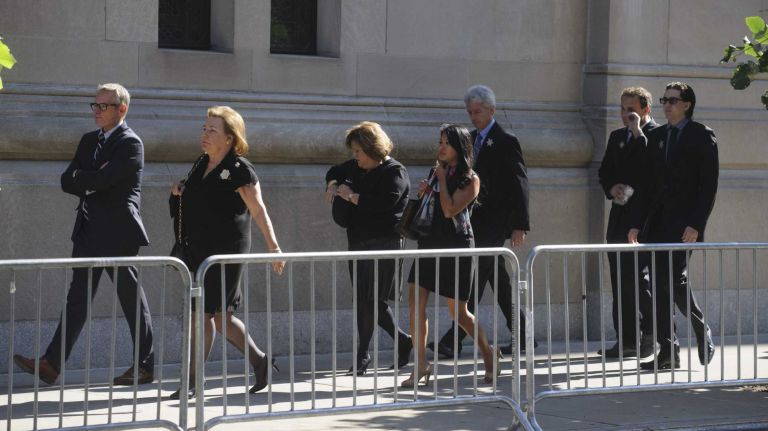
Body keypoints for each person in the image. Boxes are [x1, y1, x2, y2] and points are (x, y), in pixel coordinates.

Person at [13, 83, 155, 386]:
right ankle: (51, 364)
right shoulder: (89, 140)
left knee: (130, 297)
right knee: (77, 298)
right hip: (88, 230)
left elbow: (104, 180)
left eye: (104, 106)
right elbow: (67, 180)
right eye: (95, 105)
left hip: (118, 232)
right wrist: (90, 178)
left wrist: (87, 178)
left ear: (122, 109)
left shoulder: (131, 143)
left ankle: (145, 365)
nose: (97, 111)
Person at [168, 106, 286, 399]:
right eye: (204, 128)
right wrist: (177, 193)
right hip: (196, 248)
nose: (204, 135)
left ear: (230, 139)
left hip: (225, 251)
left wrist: (274, 247)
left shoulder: (239, 169)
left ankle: (193, 381)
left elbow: (259, 210)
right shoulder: (200, 163)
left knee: (204, 314)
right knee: (219, 317)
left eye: (212, 130)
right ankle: (260, 361)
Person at [431, 85, 531, 358]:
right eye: (470, 112)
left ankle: (453, 339)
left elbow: (519, 183)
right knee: (500, 283)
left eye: (478, 112)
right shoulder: (468, 140)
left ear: (491, 110)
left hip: (495, 223)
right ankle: (523, 335)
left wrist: (519, 224)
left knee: (474, 279)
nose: (474, 116)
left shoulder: (506, 140)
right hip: (472, 221)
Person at [629, 82, 717, 370]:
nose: (667, 105)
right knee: (658, 284)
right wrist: (636, 224)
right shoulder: (658, 136)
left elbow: (708, 186)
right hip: (657, 222)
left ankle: (699, 326)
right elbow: (647, 185)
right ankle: (668, 351)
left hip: (684, 224)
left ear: (687, 105)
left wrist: (696, 224)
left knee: (674, 279)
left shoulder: (701, 136)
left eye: (673, 100)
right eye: (665, 100)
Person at [403, 124, 499, 388]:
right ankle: (420, 363)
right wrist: (427, 190)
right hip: (429, 242)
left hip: (455, 245)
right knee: (415, 304)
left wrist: (441, 182)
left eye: (447, 142)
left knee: (459, 313)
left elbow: (450, 209)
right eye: (440, 141)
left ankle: (489, 355)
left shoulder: (471, 179)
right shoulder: (436, 173)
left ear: (460, 147)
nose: (441, 147)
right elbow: (433, 207)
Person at [325, 121, 413, 375]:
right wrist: (332, 185)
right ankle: (402, 340)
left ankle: (362, 355)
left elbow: (385, 203)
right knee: (368, 300)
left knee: (371, 300)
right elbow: (334, 170)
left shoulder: (395, 172)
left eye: (358, 151)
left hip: (384, 242)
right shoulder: (354, 168)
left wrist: (351, 196)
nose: (355, 157)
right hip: (358, 241)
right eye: (353, 151)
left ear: (372, 149)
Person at [597, 87, 658, 359]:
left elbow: (648, 171)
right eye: (622, 109)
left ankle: (652, 335)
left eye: (630, 110)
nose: (625, 115)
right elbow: (605, 171)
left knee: (640, 279)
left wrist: (638, 134)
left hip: (644, 218)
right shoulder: (616, 136)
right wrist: (612, 187)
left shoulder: (656, 135)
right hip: (620, 216)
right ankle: (626, 339)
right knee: (620, 278)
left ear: (645, 109)